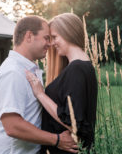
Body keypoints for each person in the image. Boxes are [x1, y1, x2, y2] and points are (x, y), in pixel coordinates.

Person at [0, 15, 78, 154]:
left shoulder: (29, 69)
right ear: (29, 36)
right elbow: (13, 126)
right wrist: (57, 140)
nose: (50, 44)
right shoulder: (13, 73)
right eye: (46, 38)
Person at [26, 13, 98, 154]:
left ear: (68, 33)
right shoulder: (83, 66)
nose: (52, 43)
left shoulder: (76, 68)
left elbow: (74, 123)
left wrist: (41, 94)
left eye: (54, 37)